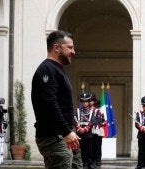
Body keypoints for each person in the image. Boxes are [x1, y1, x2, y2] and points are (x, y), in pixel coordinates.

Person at [31, 30, 82, 169]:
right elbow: (49, 103)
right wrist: (66, 132)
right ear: (56, 47)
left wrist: (70, 130)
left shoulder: (57, 69)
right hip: (55, 137)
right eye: (70, 47)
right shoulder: (47, 69)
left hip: (65, 135)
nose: (73, 51)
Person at [74, 93, 101, 169]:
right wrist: (78, 128)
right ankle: (82, 163)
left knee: (89, 149)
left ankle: (89, 163)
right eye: (83, 101)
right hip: (79, 132)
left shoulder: (93, 110)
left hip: (88, 132)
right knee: (81, 149)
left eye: (86, 101)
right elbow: (75, 120)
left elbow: (93, 120)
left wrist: (86, 129)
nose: (84, 103)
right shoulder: (78, 110)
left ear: (89, 101)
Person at [89, 93, 105, 167]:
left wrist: (97, 124)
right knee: (91, 146)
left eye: (91, 100)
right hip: (89, 130)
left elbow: (103, 120)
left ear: (94, 101)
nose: (90, 102)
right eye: (89, 100)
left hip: (97, 130)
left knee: (97, 146)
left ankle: (97, 161)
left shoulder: (99, 110)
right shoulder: (87, 110)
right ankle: (91, 161)